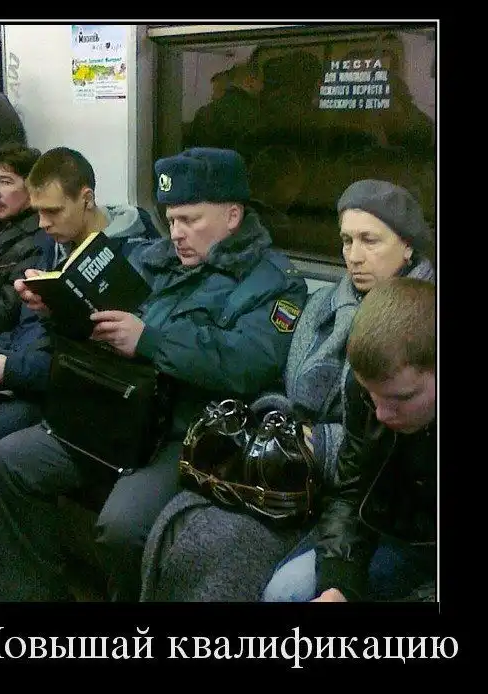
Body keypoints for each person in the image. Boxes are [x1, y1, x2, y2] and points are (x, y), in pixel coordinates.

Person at [0, 146, 309, 601]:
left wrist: (150, 341)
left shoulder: (274, 282)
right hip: (115, 408)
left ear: (233, 215)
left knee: (122, 527)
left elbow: (246, 363)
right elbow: (97, 324)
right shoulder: (150, 258)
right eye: (171, 219)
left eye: (190, 220)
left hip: (183, 430)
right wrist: (57, 309)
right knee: (9, 461)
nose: (177, 233)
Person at [140, 179, 435, 602]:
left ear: (407, 246)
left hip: (359, 493)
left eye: (370, 240)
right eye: (346, 241)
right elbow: (287, 385)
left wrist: (322, 445)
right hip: (298, 465)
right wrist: (278, 425)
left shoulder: (421, 325)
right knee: (194, 534)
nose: (354, 256)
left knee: (281, 588)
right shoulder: (322, 306)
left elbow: (363, 466)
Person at [262, 277, 436, 602]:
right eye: (372, 396)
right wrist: (337, 584)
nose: (381, 414)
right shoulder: (367, 393)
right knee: (284, 593)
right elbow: (351, 491)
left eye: (401, 398)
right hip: (383, 527)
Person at [0, 146, 157, 441]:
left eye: (53, 211)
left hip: (66, 389)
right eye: (38, 211)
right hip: (27, 368)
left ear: (87, 199)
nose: (43, 223)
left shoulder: (136, 259)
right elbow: (24, 328)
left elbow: (99, 360)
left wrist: (10, 367)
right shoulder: (52, 246)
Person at [0, 143, 42, 335]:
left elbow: (5, 310)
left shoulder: (38, 237)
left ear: (31, 189)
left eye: (5, 182)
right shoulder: (2, 223)